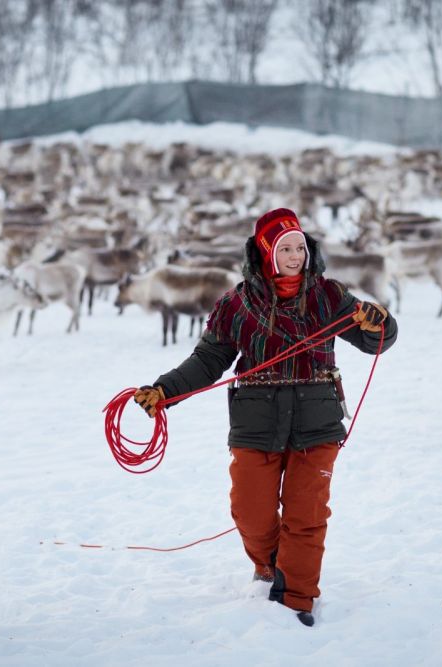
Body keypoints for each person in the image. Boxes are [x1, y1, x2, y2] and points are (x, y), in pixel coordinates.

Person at [133, 207, 397, 627]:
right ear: (265, 253)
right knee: (249, 511)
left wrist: (380, 322)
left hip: (317, 422)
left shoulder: (329, 297)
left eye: (300, 247)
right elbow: (208, 360)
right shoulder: (236, 304)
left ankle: (297, 600)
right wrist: (165, 390)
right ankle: (271, 563)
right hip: (256, 423)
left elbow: (374, 341)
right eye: (285, 248)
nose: (295, 256)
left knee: (306, 516)